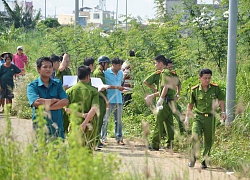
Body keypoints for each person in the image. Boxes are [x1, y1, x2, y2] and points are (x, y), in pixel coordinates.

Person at [185, 68, 226, 169]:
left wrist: (223, 112)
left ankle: (204, 161)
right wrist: (187, 117)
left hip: (210, 118)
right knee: (195, 136)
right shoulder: (194, 90)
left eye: (209, 78)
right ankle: (192, 158)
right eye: (205, 78)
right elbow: (190, 104)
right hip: (198, 117)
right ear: (200, 78)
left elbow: (221, 100)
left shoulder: (215, 88)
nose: (207, 80)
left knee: (209, 140)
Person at [27, 57, 69, 140]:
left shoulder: (57, 83)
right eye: (45, 67)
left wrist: (46, 106)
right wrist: (55, 100)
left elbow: (65, 101)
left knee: (59, 151)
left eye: (50, 67)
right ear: (38, 69)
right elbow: (36, 103)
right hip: (40, 127)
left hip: (57, 127)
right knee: (41, 151)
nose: (48, 69)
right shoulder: (32, 86)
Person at [145, 55, 178, 150]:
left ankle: (155, 144)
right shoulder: (168, 72)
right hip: (170, 101)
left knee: (159, 122)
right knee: (169, 123)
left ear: (160, 63)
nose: (155, 65)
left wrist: (161, 99)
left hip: (165, 101)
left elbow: (166, 87)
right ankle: (170, 145)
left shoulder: (164, 73)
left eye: (156, 63)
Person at [65, 65, 99, 150]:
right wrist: (84, 123)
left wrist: (82, 115)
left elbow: (67, 109)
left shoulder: (69, 91)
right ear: (88, 77)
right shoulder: (93, 91)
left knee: (74, 150)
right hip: (89, 125)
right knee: (88, 151)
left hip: (74, 123)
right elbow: (94, 108)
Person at [101, 57, 125, 145]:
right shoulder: (105, 73)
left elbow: (121, 83)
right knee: (105, 120)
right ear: (113, 65)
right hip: (109, 99)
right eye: (118, 65)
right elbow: (103, 85)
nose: (120, 67)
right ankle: (103, 138)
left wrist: (120, 88)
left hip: (118, 99)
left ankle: (119, 138)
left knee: (118, 120)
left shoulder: (121, 73)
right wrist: (116, 87)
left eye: (121, 65)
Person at [92, 56, 110, 147]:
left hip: (101, 99)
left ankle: (97, 140)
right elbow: (99, 88)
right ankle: (95, 141)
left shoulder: (101, 73)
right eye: (107, 63)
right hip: (100, 99)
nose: (108, 66)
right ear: (102, 63)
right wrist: (106, 100)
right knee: (98, 120)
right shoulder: (98, 73)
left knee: (100, 120)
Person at [166, 59, 185, 135]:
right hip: (163, 100)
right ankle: (165, 136)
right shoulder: (160, 74)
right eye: (169, 67)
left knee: (179, 115)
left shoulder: (173, 74)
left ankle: (183, 133)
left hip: (172, 99)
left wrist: (177, 94)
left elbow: (179, 84)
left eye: (171, 67)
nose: (171, 69)